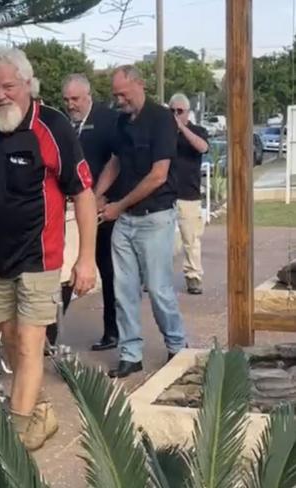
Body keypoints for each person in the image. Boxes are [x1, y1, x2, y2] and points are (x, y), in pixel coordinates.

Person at [0, 48, 97, 450]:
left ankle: (16, 439)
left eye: (8, 86)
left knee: (30, 340)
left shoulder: (53, 126)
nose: (0, 96)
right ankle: (41, 412)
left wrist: (85, 258)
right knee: (10, 340)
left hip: (40, 257)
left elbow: (84, 194)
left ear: (27, 84)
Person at [94, 65, 187, 379]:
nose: (120, 100)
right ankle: (130, 353)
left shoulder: (161, 119)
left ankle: (177, 346)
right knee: (123, 290)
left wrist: (117, 205)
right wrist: (96, 194)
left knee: (159, 289)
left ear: (139, 85)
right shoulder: (121, 122)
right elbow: (115, 162)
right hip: (126, 220)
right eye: (116, 94)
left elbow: (158, 175)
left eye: (124, 93)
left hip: (155, 218)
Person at [62, 73, 120, 352]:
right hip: (69, 213)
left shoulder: (109, 120)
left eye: (75, 99)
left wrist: (105, 197)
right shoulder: (64, 125)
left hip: (102, 209)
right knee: (62, 269)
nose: (70, 104)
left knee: (108, 272)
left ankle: (113, 330)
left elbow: (118, 161)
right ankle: (48, 334)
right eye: (66, 100)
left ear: (88, 96)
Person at [168, 92, 209, 295]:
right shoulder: (163, 133)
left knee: (191, 239)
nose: (175, 114)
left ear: (187, 112)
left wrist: (182, 128)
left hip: (188, 194)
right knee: (159, 239)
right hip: (165, 194)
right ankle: (156, 277)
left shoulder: (197, 130)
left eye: (179, 111)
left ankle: (193, 276)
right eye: (172, 110)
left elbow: (202, 147)